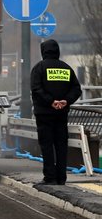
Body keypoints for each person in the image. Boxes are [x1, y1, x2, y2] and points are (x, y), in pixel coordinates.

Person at [30, 39, 83, 185]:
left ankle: (50, 177)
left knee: (47, 145)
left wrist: (50, 101)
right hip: (61, 114)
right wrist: (66, 101)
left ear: (43, 51)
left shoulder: (39, 68)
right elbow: (77, 89)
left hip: (44, 113)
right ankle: (61, 178)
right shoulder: (66, 68)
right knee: (61, 145)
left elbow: (36, 89)